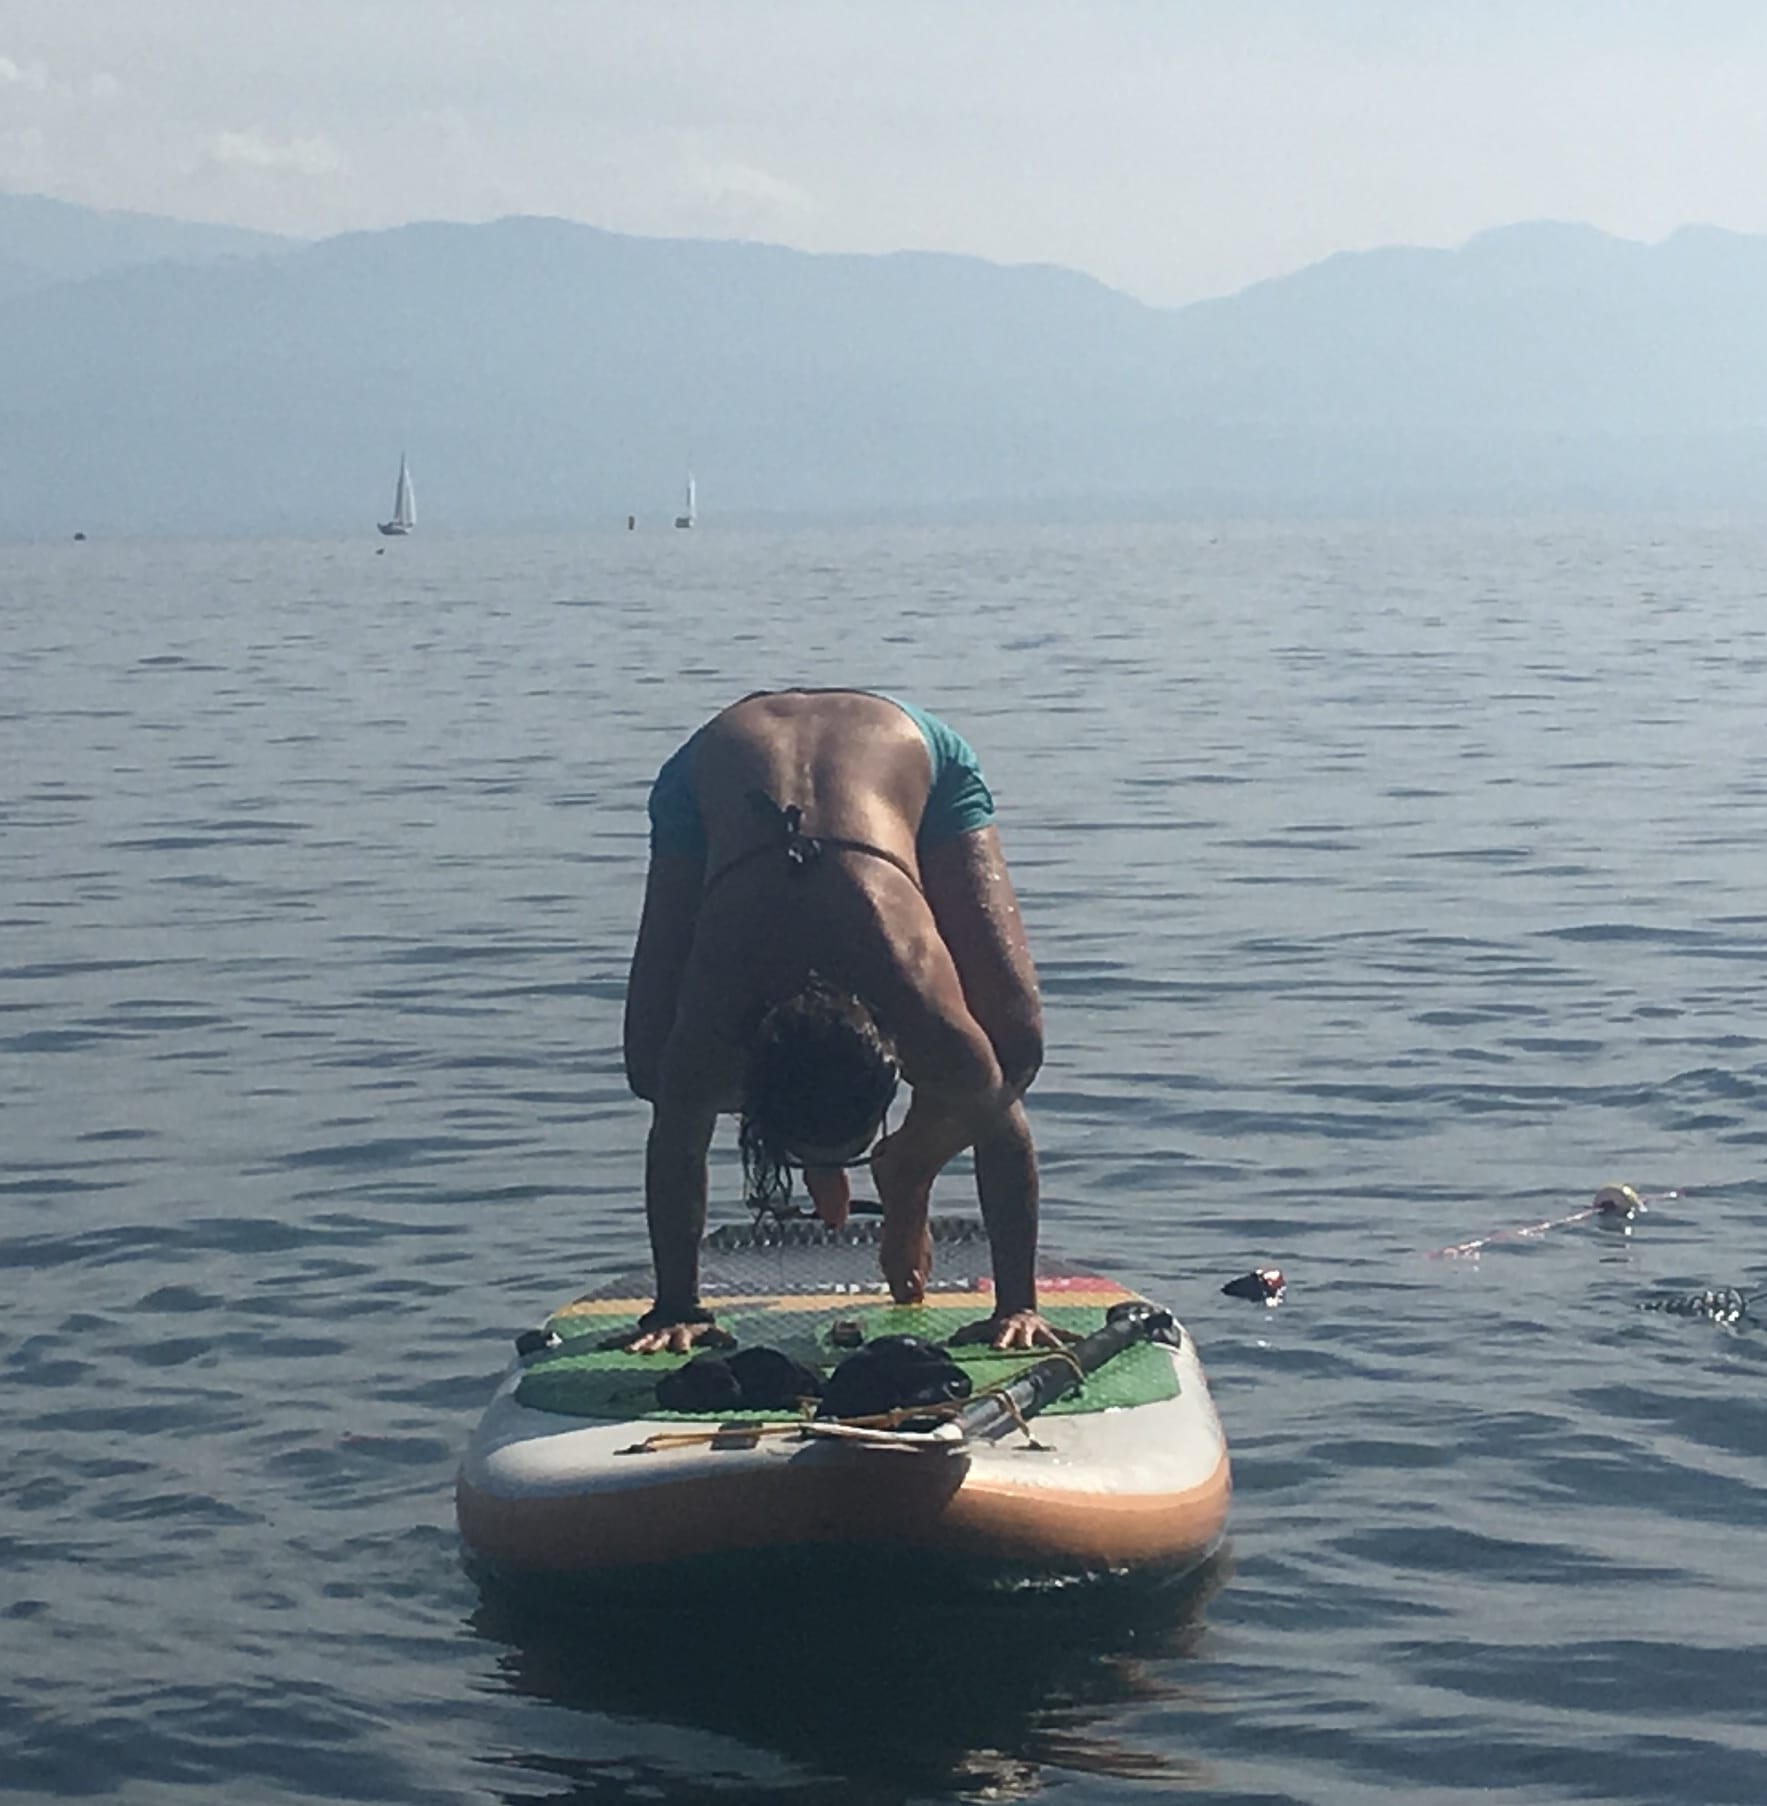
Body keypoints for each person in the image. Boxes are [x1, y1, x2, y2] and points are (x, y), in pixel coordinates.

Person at [621, 688, 1062, 1354]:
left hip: (900, 748)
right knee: (654, 1068)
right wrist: (677, 1306)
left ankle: (906, 1169)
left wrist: (1017, 1304)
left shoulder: (911, 983)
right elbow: (676, 1129)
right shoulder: (720, 991)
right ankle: (826, 1153)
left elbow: (1001, 1123)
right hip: (716, 767)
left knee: (1012, 1052)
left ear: (896, 1054)